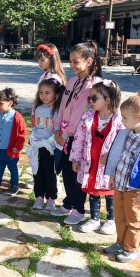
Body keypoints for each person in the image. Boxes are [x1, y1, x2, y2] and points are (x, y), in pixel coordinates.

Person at [103, 95, 140, 262]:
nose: (122, 121)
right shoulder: (128, 134)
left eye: (125, 118)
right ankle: (120, 242)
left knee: (133, 218)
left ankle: (132, 248)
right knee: (119, 216)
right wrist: (113, 175)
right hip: (121, 183)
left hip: (135, 188)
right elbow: (119, 156)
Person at [51, 41, 103, 225]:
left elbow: (82, 113)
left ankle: (79, 209)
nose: (72, 65)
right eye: (71, 61)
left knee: (76, 173)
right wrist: (57, 127)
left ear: (89, 61)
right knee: (65, 171)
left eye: (76, 62)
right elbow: (63, 106)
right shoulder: (72, 81)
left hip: (79, 137)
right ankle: (69, 202)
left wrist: (67, 133)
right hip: (64, 134)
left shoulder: (95, 85)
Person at [70, 80, 124, 234]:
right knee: (93, 190)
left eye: (94, 98)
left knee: (109, 191)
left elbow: (122, 143)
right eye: (90, 98)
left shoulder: (118, 121)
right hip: (90, 161)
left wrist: (112, 157)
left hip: (108, 165)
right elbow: (79, 138)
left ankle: (111, 219)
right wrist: (75, 158)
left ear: (107, 100)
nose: (90, 101)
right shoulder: (87, 118)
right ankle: (94, 218)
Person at [25, 43, 67, 189]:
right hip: (41, 115)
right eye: (38, 60)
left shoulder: (55, 77)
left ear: (52, 58)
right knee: (38, 149)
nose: (39, 63)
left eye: (42, 60)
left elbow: (58, 101)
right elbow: (39, 95)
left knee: (49, 149)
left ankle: (51, 180)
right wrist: (34, 112)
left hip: (50, 118)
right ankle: (39, 176)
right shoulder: (45, 74)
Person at [28, 78, 64, 211]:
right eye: (41, 92)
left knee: (50, 173)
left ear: (56, 94)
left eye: (47, 92)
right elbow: (37, 128)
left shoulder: (59, 111)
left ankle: (51, 197)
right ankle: (38, 196)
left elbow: (57, 130)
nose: (43, 96)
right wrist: (34, 139)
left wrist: (47, 142)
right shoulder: (38, 109)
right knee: (37, 172)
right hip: (38, 147)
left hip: (51, 148)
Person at [0, 88, 27, 195]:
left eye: (1, 103)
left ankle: (14, 185)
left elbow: (22, 134)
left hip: (11, 150)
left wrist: (17, 147)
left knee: (12, 168)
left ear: (10, 103)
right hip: (0, 148)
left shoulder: (17, 117)